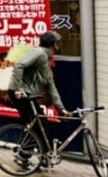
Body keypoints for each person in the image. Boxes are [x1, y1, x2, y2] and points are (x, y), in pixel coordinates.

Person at [8, 31, 71, 159]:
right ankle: (24, 156)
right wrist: (19, 88)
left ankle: (43, 157)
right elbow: (19, 65)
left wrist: (61, 109)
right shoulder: (39, 53)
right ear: (55, 44)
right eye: (59, 43)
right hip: (21, 93)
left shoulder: (45, 58)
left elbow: (50, 85)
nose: (60, 46)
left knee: (39, 124)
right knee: (36, 125)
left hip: (28, 94)